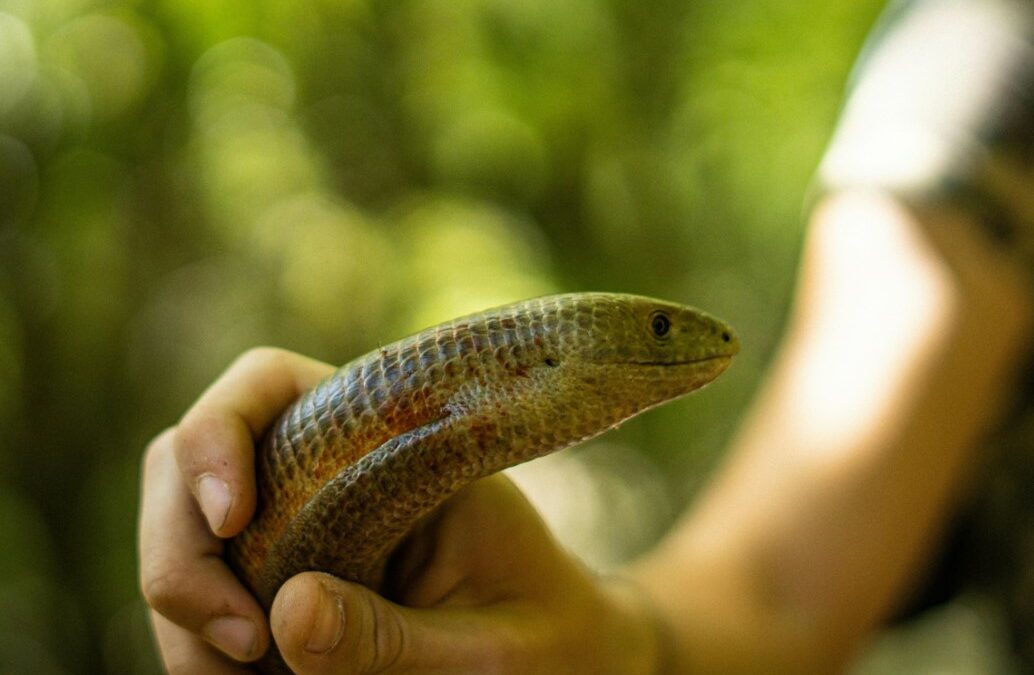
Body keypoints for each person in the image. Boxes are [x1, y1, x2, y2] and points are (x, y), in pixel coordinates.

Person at [137, 0, 1034, 672]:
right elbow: (783, 590)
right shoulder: (985, 62)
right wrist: (604, 646)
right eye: (656, 328)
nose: (686, 340)